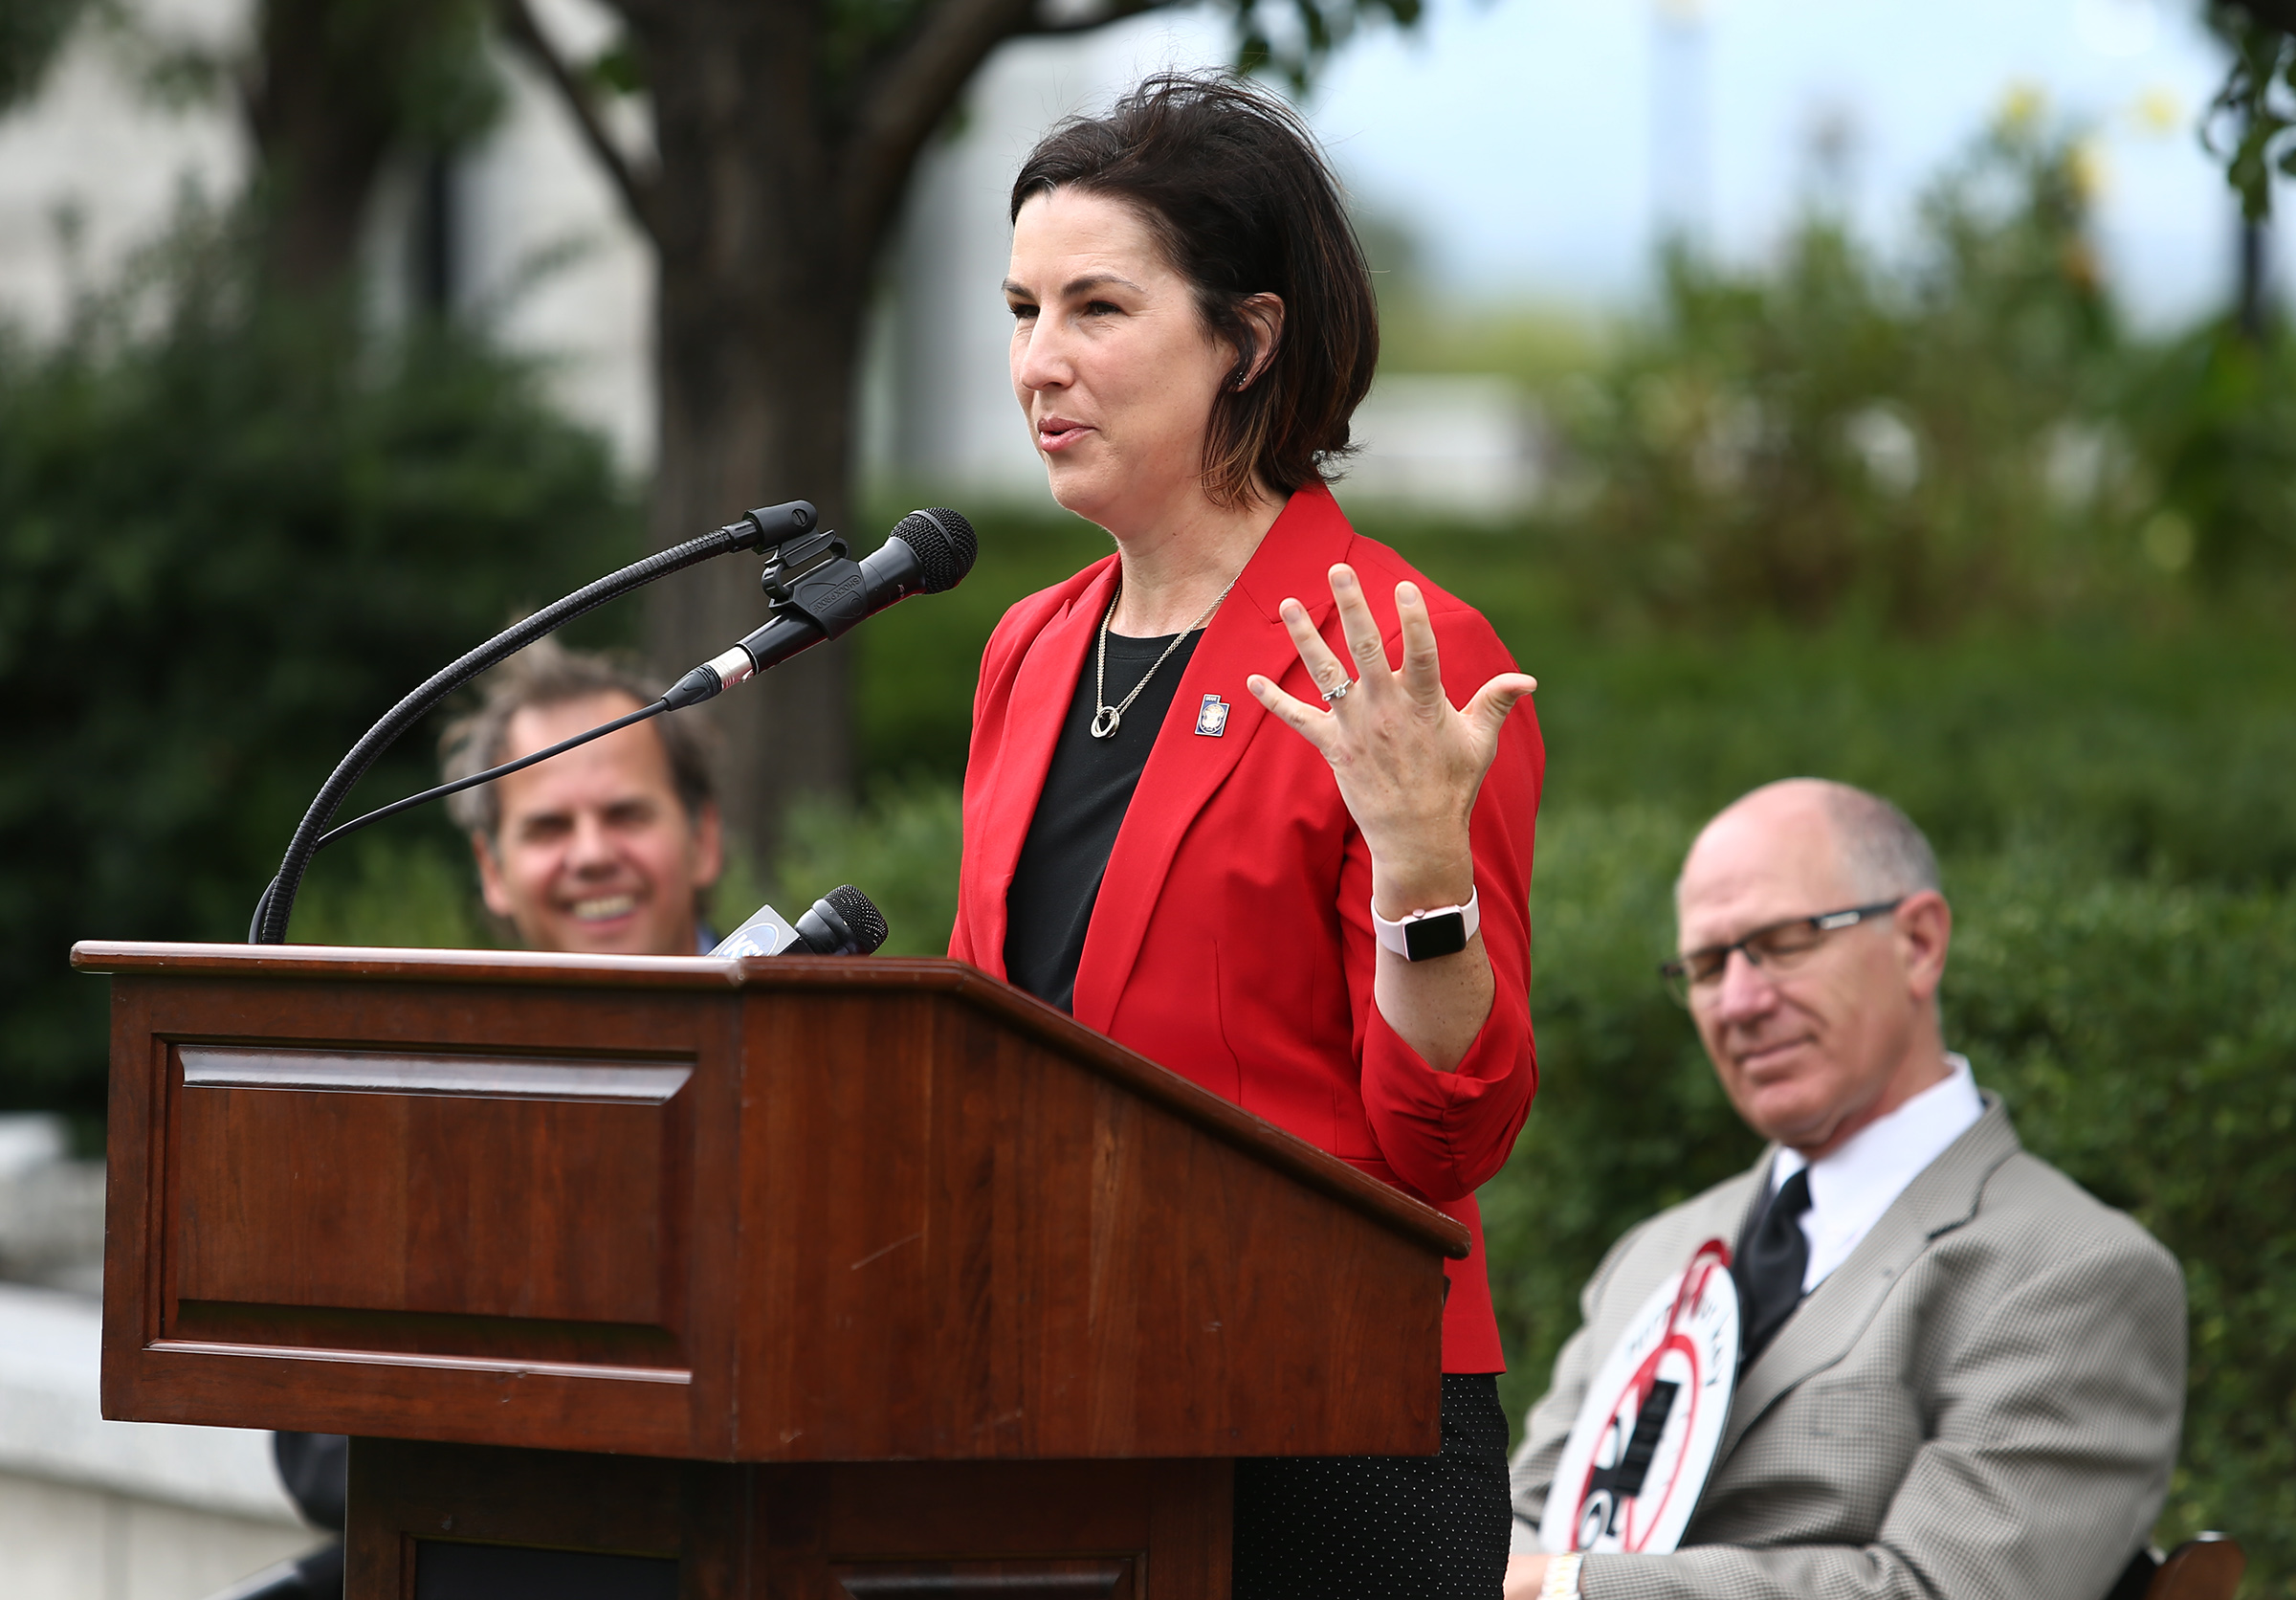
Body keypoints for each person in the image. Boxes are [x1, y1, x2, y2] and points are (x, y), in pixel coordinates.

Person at [950, 74, 1544, 1600]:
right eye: (1021, 309)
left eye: (1097, 308)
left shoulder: (1405, 654)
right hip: (1048, 1407)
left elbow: (1444, 1140)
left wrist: (1422, 870)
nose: (1039, 365)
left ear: (1248, 338)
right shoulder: (1028, 647)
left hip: (1325, 1423)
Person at [1505, 779, 2186, 1600]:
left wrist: (1572, 1588)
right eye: (1707, 965)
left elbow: (1943, 1591)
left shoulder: (2074, 1273)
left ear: (1920, 943)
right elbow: (1517, 1518)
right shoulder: (1652, 1258)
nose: (1740, 1002)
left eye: (1786, 941)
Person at [438, 638, 726, 956]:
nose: (593, 855)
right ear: (493, 871)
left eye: (626, 815)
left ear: (702, 840)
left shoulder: (787, 1004)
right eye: (549, 827)